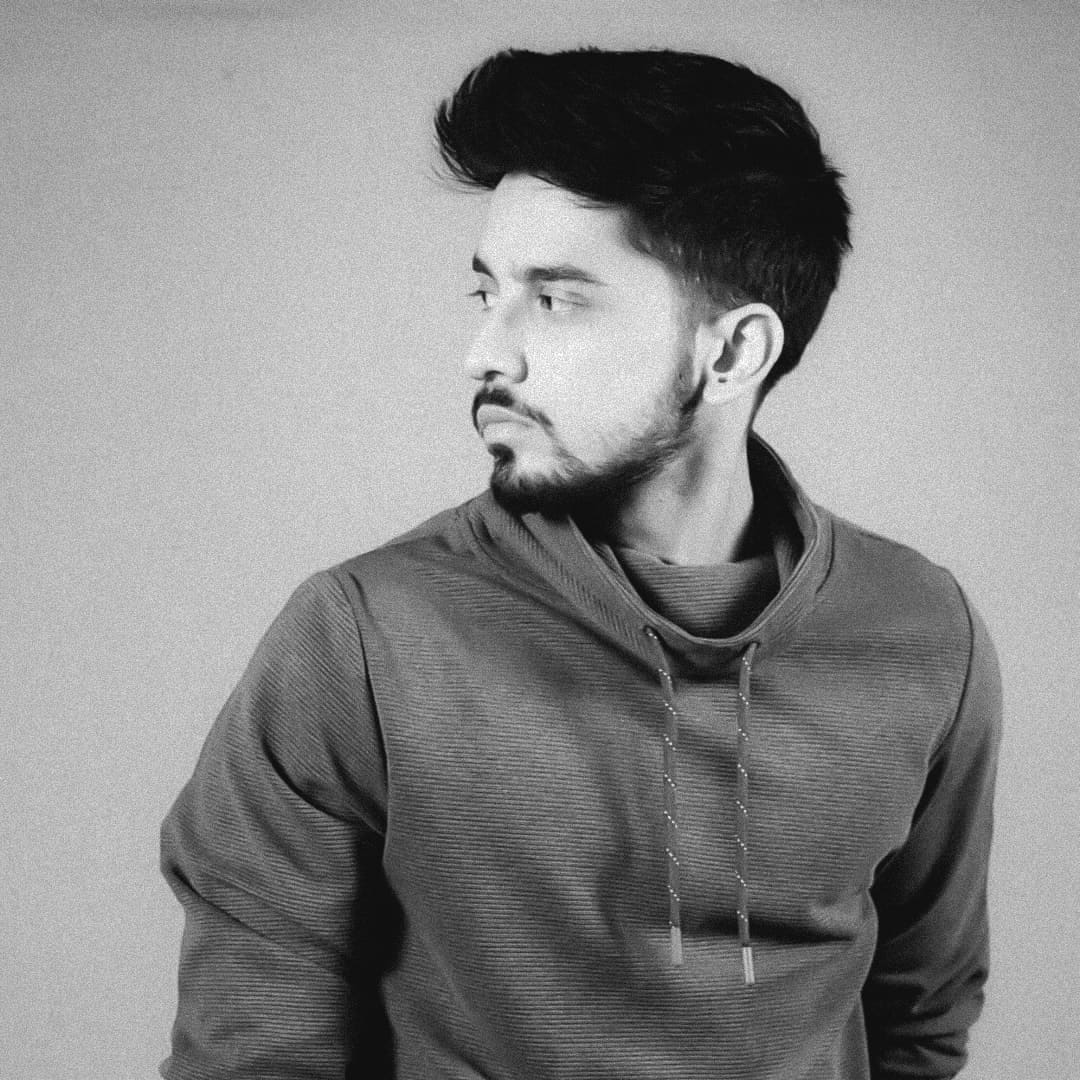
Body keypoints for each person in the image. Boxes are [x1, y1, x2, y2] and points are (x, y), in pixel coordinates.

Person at [160, 47, 1002, 1080]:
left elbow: (921, 1015)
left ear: (733, 353)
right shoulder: (365, 637)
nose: (486, 352)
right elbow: (252, 1047)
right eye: (486, 293)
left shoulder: (923, 632)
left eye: (555, 300)